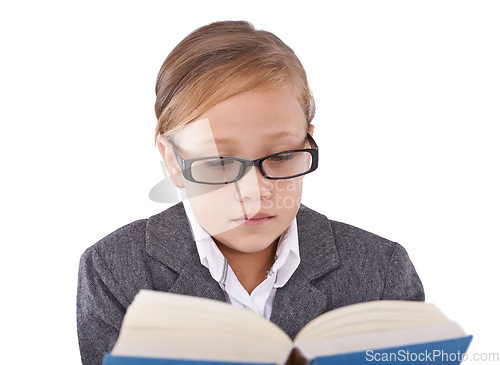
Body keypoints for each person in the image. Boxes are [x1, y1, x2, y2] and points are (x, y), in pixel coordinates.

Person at [77, 20, 424, 365]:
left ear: (307, 139)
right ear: (172, 161)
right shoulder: (114, 269)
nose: (254, 193)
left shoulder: (382, 272)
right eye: (218, 163)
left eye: (282, 156)